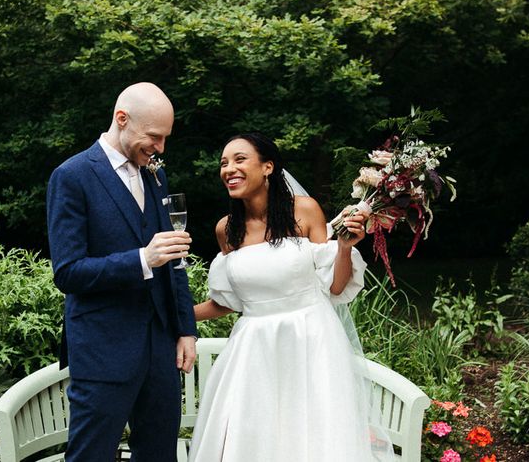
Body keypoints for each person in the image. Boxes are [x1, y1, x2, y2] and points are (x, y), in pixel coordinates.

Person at [189, 132, 395, 461]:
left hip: (310, 341)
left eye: (239, 159)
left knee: (312, 437)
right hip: (252, 350)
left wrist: (343, 248)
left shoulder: (305, 211)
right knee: (251, 436)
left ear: (267, 166)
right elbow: (229, 302)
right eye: (224, 163)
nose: (229, 168)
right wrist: (176, 312)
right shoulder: (226, 229)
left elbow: (336, 288)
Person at [47, 82, 197, 462]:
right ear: (122, 119)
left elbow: (174, 260)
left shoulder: (155, 175)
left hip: (161, 350)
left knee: (159, 455)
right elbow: (68, 272)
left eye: (165, 138)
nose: (160, 148)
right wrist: (143, 259)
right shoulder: (72, 176)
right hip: (102, 352)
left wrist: (184, 330)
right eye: (154, 137)